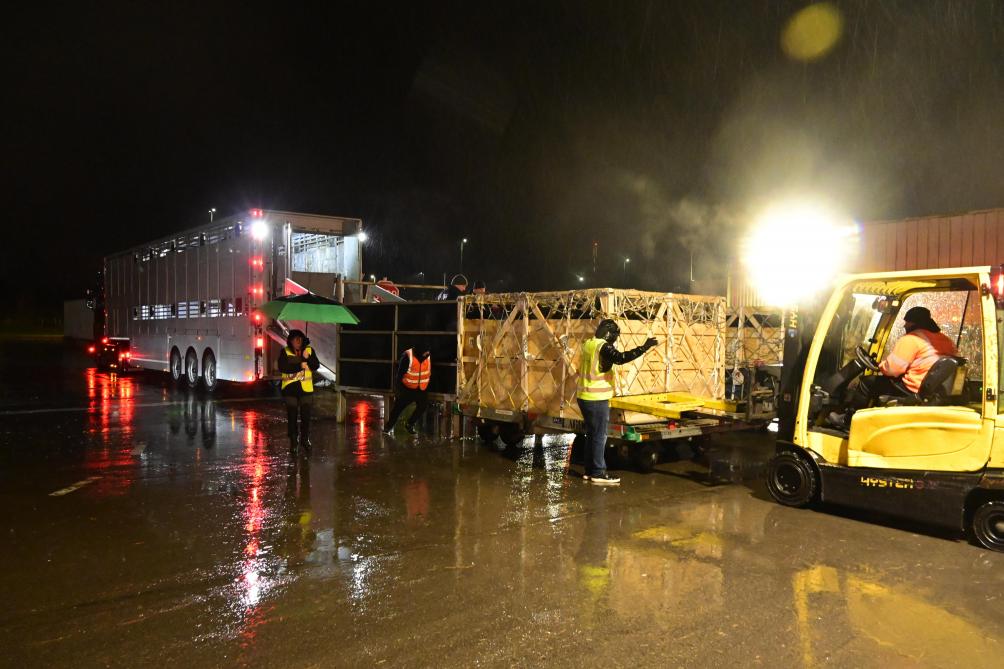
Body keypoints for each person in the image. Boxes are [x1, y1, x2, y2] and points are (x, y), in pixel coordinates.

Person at [576, 320, 658, 485]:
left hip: (584, 396)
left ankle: (589, 470)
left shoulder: (588, 344)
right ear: (609, 334)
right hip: (596, 399)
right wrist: (644, 347)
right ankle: (598, 473)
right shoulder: (603, 347)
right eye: (614, 336)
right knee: (599, 436)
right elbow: (621, 358)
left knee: (592, 435)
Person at [845, 305, 958, 414]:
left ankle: (849, 420)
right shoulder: (946, 340)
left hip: (913, 388)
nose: (905, 326)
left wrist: (881, 366)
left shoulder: (912, 338)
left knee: (867, 382)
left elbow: (892, 370)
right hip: (934, 390)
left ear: (913, 322)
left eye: (906, 322)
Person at [279, 329, 321, 451]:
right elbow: (283, 367)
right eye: (295, 339)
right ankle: (293, 441)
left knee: (306, 416)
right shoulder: (285, 352)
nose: (298, 341)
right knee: (292, 416)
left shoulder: (309, 351)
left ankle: (305, 440)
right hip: (290, 389)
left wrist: (308, 358)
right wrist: (299, 365)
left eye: (300, 339)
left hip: (306, 389)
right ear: (290, 341)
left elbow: (315, 366)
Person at [383, 344, 432, 435]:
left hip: (421, 389)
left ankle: (409, 424)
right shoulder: (407, 356)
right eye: (426, 352)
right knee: (397, 409)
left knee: (423, 406)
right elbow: (399, 375)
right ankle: (388, 427)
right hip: (407, 389)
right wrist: (398, 390)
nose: (428, 353)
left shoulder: (427, 356)